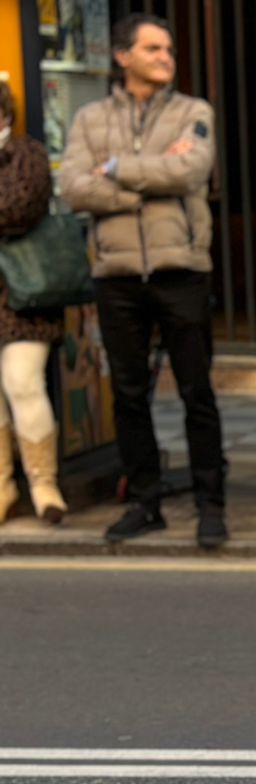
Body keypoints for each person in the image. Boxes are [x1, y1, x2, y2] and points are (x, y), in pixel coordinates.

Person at [59, 14, 226, 548]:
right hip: (117, 274)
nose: (165, 57)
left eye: (169, 49)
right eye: (153, 48)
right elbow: (73, 187)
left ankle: (211, 503)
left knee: (197, 391)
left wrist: (114, 167)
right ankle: (144, 502)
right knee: (128, 396)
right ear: (122, 56)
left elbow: (190, 171)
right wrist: (143, 183)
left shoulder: (192, 112)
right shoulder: (90, 117)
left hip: (182, 268)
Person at [0, 81, 70, 525]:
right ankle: (3, 485)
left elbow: (18, 206)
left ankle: (45, 484)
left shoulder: (26, 153)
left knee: (23, 381)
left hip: (22, 294)